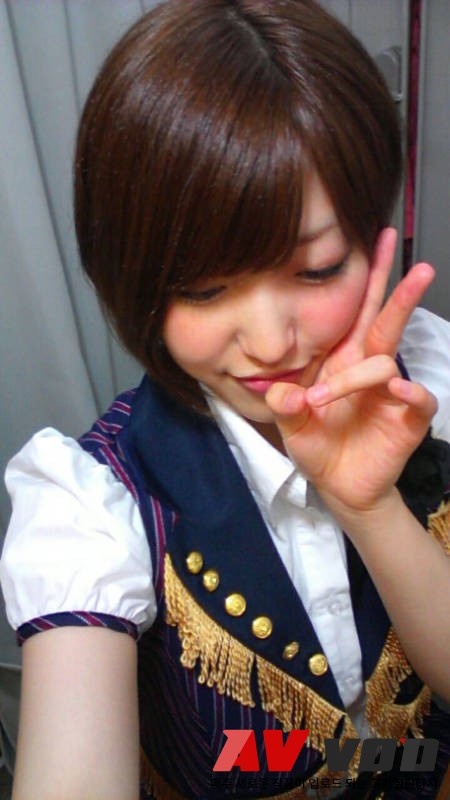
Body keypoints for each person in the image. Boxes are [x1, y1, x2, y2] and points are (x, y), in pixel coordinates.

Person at [1, 1, 449, 798]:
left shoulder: (429, 374)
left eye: (316, 270)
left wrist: (373, 508)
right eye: (206, 289)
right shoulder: (93, 504)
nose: (272, 344)